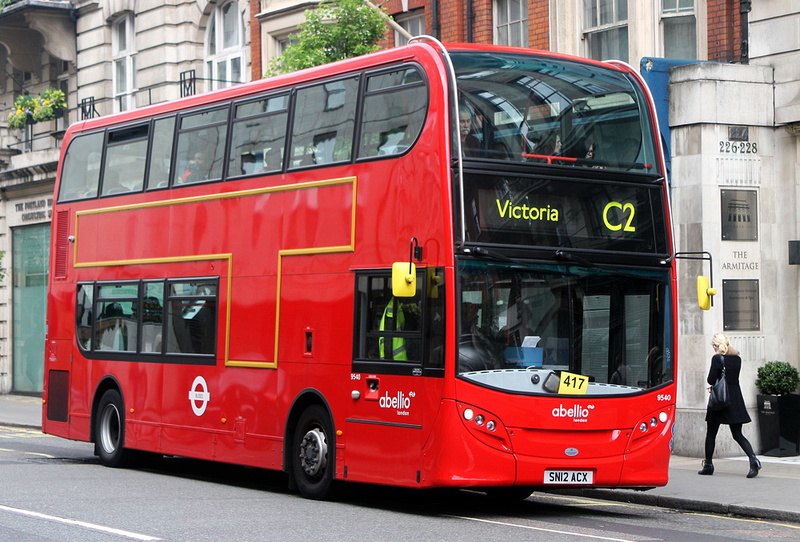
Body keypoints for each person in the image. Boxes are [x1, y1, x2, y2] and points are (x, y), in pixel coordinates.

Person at [698, 333, 761, 478]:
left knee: (711, 433)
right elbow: (731, 379)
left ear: (716, 346)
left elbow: (711, 379)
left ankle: (708, 465)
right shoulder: (737, 359)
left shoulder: (717, 358)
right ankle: (753, 460)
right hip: (735, 399)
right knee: (737, 434)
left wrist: (713, 384)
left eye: (713, 346)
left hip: (720, 401)